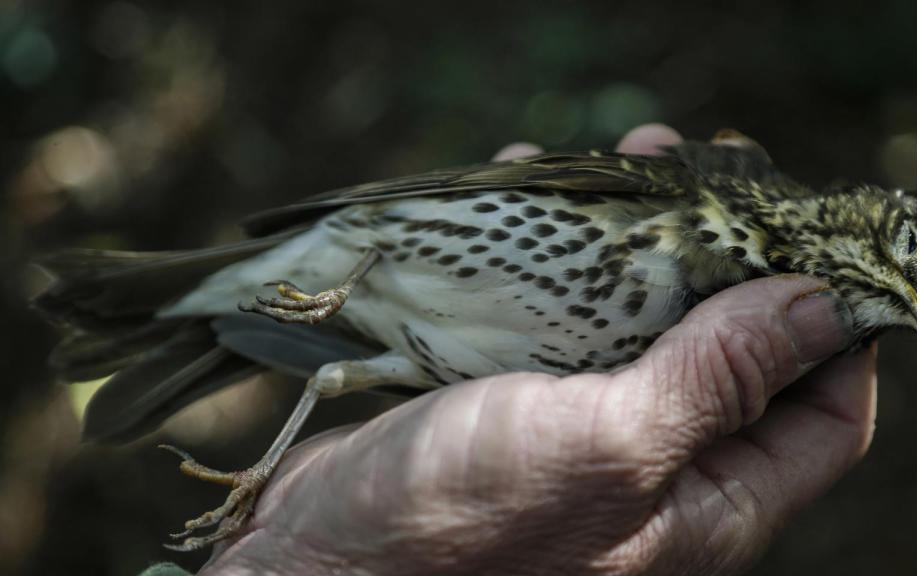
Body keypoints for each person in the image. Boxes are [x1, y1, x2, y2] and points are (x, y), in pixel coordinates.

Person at [144, 124, 877, 576]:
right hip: (374, 249)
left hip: (412, 333)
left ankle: (241, 438)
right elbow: (483, 185)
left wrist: (283, 553)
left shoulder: (666, 333)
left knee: (332, 374)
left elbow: (345, 380)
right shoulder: (673, 204)